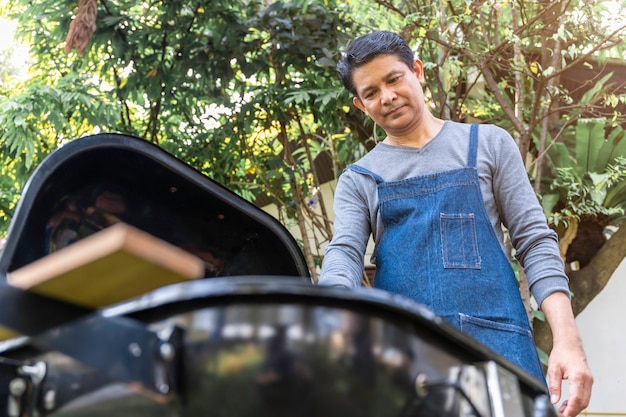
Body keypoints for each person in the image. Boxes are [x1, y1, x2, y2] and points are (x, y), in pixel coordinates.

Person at [318, 30, 593, 416]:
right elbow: (344, 253)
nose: (387, 96)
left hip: (500, 356)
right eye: (371, 92)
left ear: (417, 70)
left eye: (394, 79)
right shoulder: (360, 178)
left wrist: (567, 340)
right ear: (361, 105)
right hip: (406, 366)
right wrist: (328, 320)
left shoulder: (488, 145)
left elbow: (534, 240)